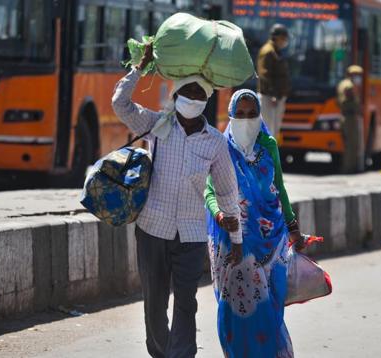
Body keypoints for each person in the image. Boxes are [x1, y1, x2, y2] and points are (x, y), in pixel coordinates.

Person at [111, 43, 242, 358]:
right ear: (176, 95)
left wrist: (236, 237)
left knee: (187, 302)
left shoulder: (215, 143)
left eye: (200, 95)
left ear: (207, 101)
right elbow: (120, 103)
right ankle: (160, 352)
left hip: (192, 235)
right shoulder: (156, 125)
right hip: (152, 228)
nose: (193, 100)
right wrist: (139, 69)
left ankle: (181, 354)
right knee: (154, 301)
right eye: (188, 93)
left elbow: (226, 191)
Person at [204, 89, 308, 358]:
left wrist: (293, 226)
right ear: (230, 115)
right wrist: (219, 216)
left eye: (252, 114)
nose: (246, 120)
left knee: (268, 307)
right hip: (232, 241)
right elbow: (209, 191)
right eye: (239, 115)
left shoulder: (268, 145)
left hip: (272, 240)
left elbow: (279, 188)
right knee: (236, 307)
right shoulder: (220, 147)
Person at [257, 23, 291, 140]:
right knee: (268, 131)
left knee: (274, 132)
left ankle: (272, 157)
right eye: (283, 38)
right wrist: (273, 94)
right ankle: (266, 157)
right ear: (276, 37)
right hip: (269, 97)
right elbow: (264, 74)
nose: (285, 41)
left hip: (275, 96)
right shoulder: (268, 51)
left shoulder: (275, 51)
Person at [336, 65, 365, 173]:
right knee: (351, 145)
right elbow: (346, 101)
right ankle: (348, 168)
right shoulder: (348, 86)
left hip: (346, 116)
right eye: (356, 75)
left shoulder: (343, 84)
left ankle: (349, 167)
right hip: (349, 117)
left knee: (350, 144)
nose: (358, 77)